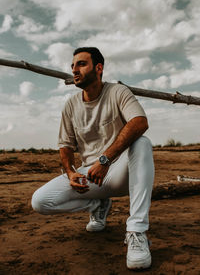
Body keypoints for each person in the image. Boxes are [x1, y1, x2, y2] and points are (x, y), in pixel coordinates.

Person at [31, 47, 155, 270]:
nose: (74, 70)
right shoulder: (70, 105)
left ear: (99, 68)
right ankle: (97, 204)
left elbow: (139, 122)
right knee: (40, 201)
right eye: (72, 66)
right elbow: (65, 146)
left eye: (81, 64)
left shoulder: (118, 92)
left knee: (143, 143)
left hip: (120, 171)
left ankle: (137, 232)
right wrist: (70, 173)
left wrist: (105, 160)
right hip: (91, 176)